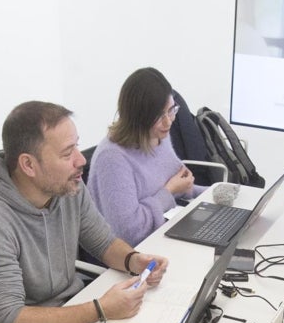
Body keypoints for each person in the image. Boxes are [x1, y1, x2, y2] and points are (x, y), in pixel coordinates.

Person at [0, 101, 169, 323]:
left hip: (68, 309)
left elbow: (104, 243)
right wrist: (100, 310)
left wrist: (133, 260)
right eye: (67, 154)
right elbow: (12, 321)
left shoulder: (67, 186)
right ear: (28, 165)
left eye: (76, 146)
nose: (81, 160)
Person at [88, 67, 207, 246]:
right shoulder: (112, 159)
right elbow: (129, 233)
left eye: (171, 110)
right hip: (131, 255)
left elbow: (180, 186)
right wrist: (169, 192)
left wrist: (217, 195)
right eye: (159, 116)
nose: (168, 122)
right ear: (138, 117)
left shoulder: (157, 137)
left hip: (161, 234)